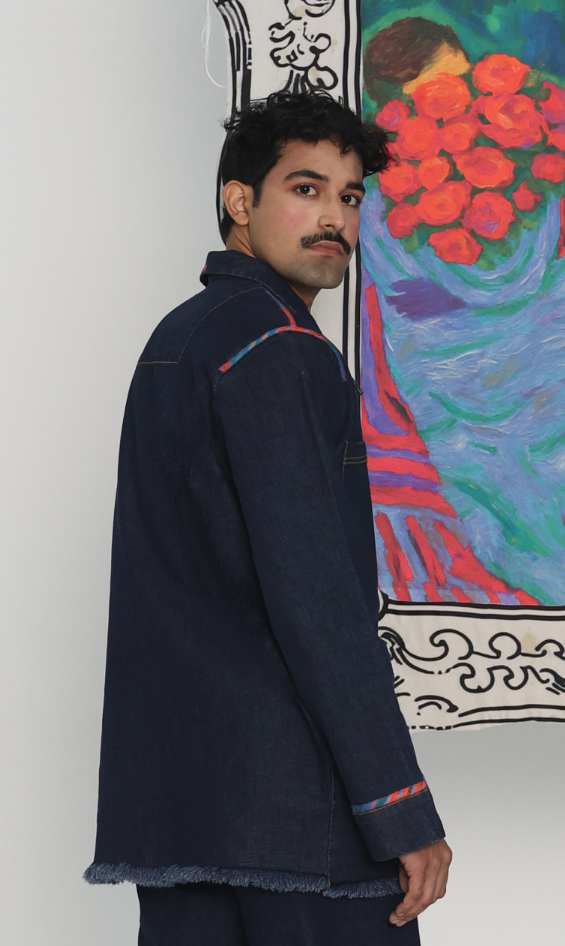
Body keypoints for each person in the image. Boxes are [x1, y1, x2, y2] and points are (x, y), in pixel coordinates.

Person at [84, 91, 452, 945]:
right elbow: (315, 597)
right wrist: (399, 808)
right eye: (306, 188)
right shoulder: (278, 347)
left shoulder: (181, 338)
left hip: (182, 814)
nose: (333, 219)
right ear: (239, 201)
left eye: (349, 197)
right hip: (297, 820)